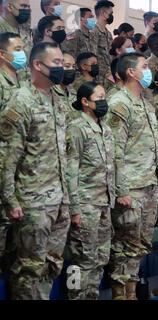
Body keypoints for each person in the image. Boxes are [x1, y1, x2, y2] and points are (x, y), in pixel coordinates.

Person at [0, 42, 70, 300]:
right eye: (57, 63)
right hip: (33, 201)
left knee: (50, 265)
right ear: (38, 65)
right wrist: (10, 199)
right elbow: (8, 155)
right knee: (29, 269)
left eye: (62, 63)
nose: (61, 68)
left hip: (59, 200)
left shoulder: (58, 101)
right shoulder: (21, 100)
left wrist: (68, 199)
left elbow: (64, 154)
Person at [106, 53, 158, 300]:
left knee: (140, 243)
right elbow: (114, 149)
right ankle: (120, 293)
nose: (148, 71)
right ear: (130, 72)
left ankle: (131, 291)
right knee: (125, 243)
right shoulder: (119, 103)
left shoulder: (146, 104)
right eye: (145, 67)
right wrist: (121, 189)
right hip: (131, 185)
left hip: (149, 183)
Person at [65, 81, 115, 300]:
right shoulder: (77, 128)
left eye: (105, 97)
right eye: (99, 98)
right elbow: (70, 170)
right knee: (80, 261)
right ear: (85, 102)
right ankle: (74, 297)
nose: (104, 102)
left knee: (100, 258)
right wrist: (74, 208)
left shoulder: (106, 128)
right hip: (85, 205)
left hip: (104, 203)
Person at [0, 31, 27, 274]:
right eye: (17, 49)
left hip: (19, 170)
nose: (22, 53)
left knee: (14, 249)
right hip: (2, 167)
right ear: (2, 53)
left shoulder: (22, 81)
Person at [90, 0, 114, 86]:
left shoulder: (108, 34)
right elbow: (92, 54)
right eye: (111, 13)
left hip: (108, 76)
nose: (112, 15)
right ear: (104, 13)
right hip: (98, 77)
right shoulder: (94, 31)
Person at [53, 51, 78, 121]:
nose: (72, 69)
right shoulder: (50, 92)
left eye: (73, 66)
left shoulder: (73, 92)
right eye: (67, 66)